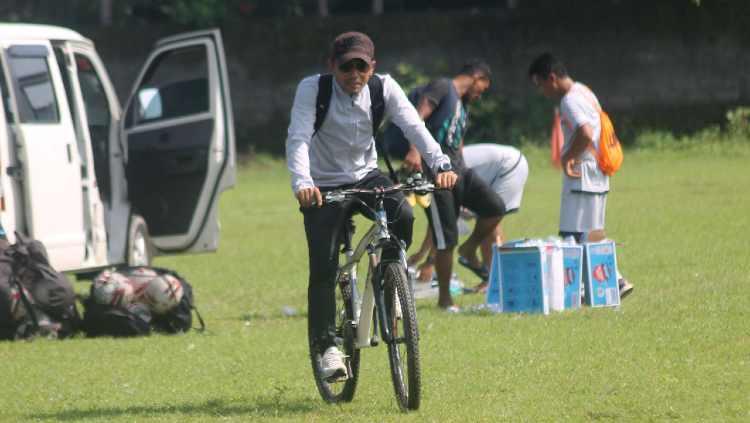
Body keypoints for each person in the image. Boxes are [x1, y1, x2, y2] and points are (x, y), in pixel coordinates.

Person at [285, 31, 457, 381]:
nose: (354, 75)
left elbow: (415, 127)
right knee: (324, 264)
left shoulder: (384, 88)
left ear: (372, 67)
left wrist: (440, 163)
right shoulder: (312, 90)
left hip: (366, 176)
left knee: (403, 214)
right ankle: (327, 346)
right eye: (347, 67)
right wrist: (303, 183)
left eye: (361, 67)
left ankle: (393, 281)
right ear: (332, 65)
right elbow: (298, 138)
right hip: (323, 184)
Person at [389, 60, 506, 310]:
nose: (481, 94)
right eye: (482, 87)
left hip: (459, 172)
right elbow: (416, 117)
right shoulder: (443, 87)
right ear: (477, 77)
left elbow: (458, 140)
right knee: (446, 239)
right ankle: (445, 299)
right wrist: (414, 151)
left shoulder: (463, 105)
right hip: (435, 174)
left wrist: (463, 172)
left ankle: (470, 246)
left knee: (495, 207)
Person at [527, 52, 633, 297]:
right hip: (598, 172)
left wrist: (568, 156)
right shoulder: (584, 91)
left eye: (540, 85)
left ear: (551, 78)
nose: (542, 92)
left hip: (582, 173)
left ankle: (590, 287)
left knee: (572, 236)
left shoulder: (569, 101)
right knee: (592, 232)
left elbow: (585, 132)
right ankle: (610, 282)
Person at [407, 143, 528, 294]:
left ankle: (495, 281)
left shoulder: (437, 171)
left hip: (509, 166)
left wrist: (430, 262)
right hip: (503, 164)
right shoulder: (435, 165)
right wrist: (421, 253)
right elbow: (437, 224)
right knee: (486, 220)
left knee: (489, 221)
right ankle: (491, 280)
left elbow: (444, 224)